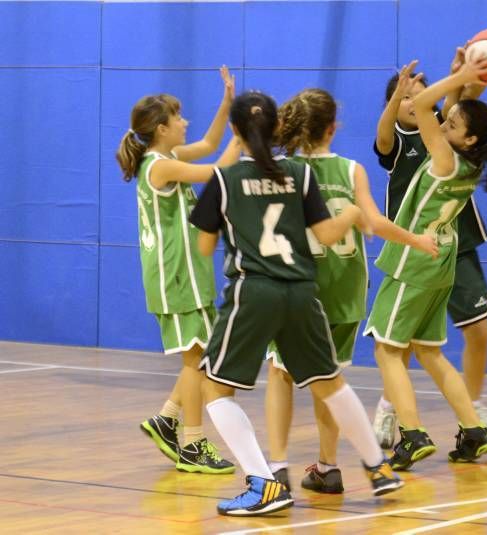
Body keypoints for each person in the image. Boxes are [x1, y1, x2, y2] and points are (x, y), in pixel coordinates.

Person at [189, 90, 404, 516]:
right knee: (330, 382)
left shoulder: (224, 179)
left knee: (213, 385)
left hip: (254, 292)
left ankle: (263, 483)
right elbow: (325, 235)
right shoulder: (298, 176)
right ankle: (379, 468)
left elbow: (203, 246)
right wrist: (353, 217)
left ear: (235, 131)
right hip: (302, 292)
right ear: (275, 128)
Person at [263, 88, 437, 494]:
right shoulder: (353, 169)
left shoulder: (280, 169)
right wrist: (416, 240)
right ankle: (327, 467)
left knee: (280, 373)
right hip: (346, 289)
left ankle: (276, 467)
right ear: (332, 128)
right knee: (331, 377)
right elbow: (374, 225)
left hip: (300, 286)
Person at [364, 54, 487, 470]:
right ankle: (473, 429)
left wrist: (460, 78)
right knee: (430, 353)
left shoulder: (443, 158)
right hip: (441, 261)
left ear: (466, 139)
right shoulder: (468, 160)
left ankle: (412, 435)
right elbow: (440, 108)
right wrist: (462, 81)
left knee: (387, 349)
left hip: (413, 261)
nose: (443, 123)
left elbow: (429, 103)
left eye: (452, 124)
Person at [115, 66, 239, 474]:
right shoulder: (159, 166)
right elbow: (218, 173)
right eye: (179, 117)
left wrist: (226, 106)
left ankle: (167, 420)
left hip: (183, 273)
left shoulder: (167, 155)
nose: (186, 122)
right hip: (176, 274)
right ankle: (192, 443)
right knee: (198, 361)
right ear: (162, 129)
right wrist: (243, 139)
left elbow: (208, 143)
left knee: (198, 355)